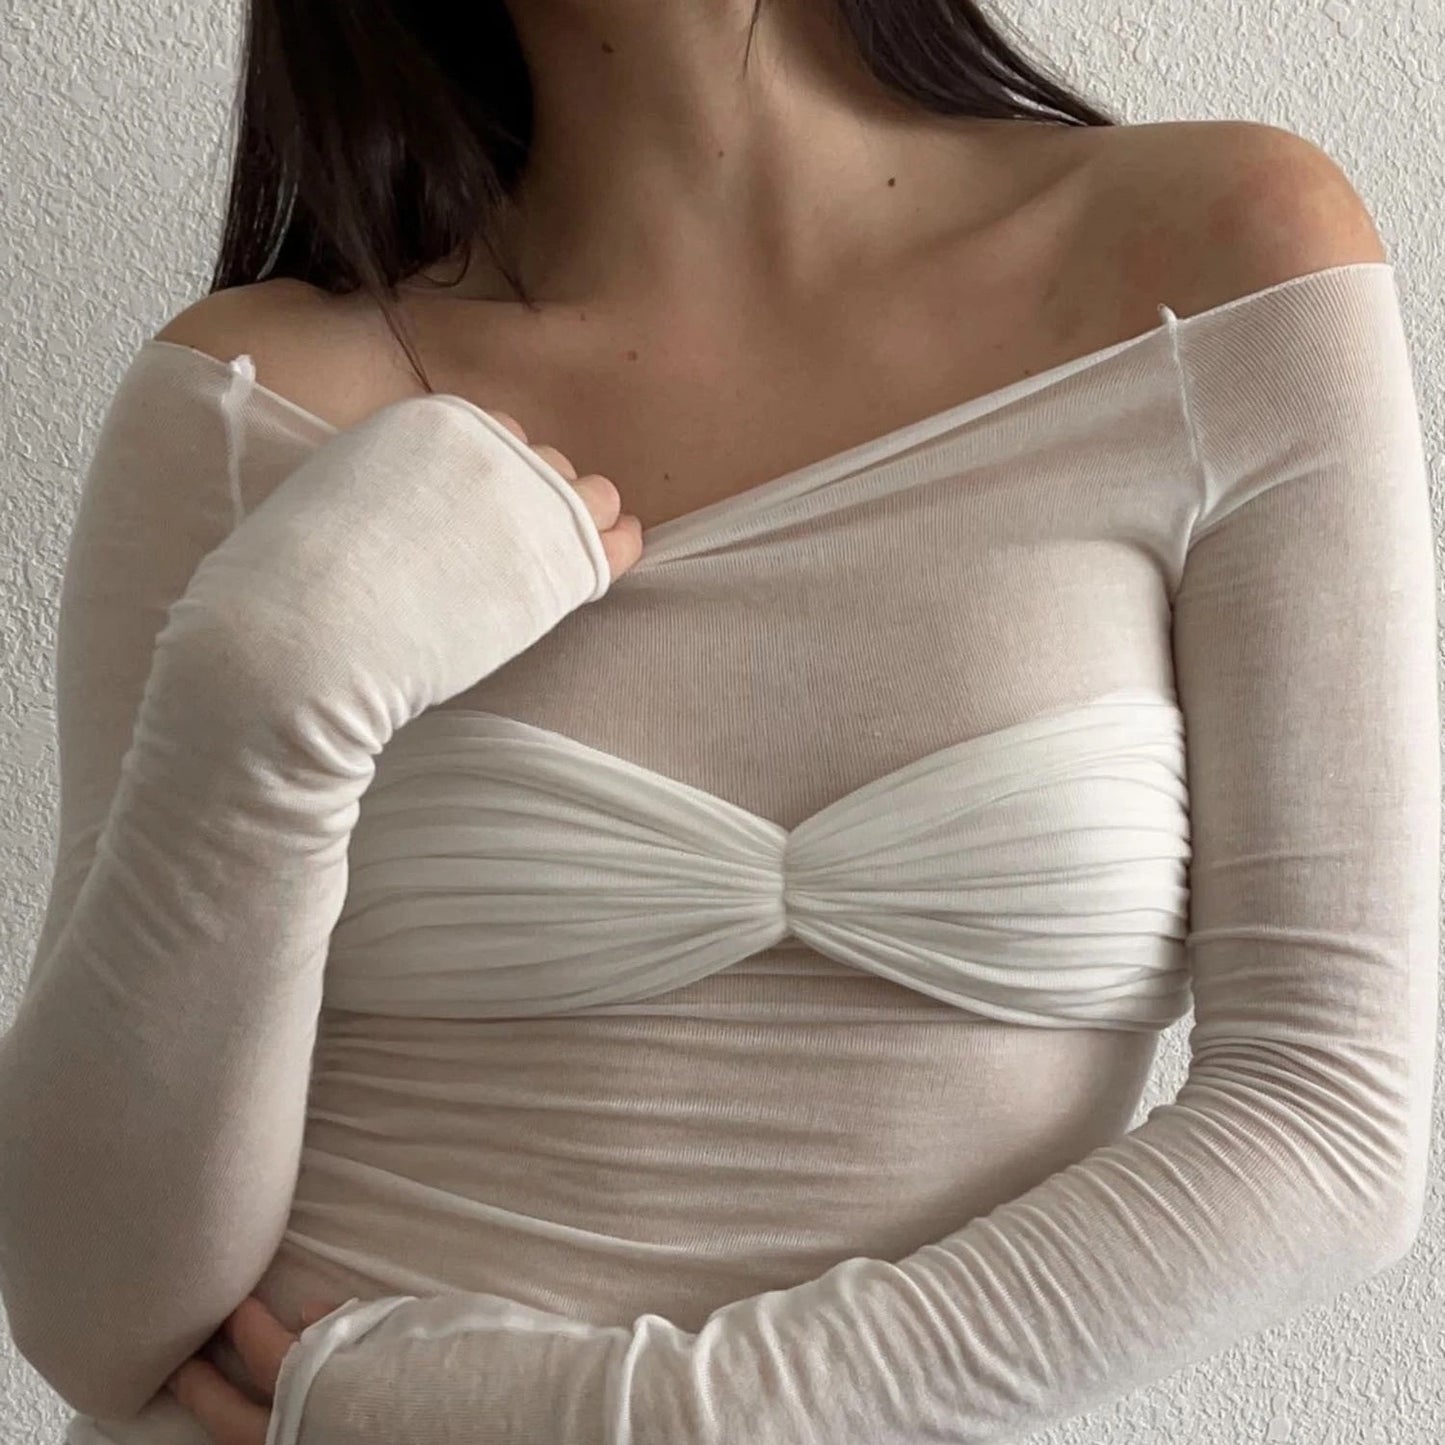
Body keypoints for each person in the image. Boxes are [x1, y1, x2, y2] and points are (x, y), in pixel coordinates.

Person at [0, 1, 1438, 1442]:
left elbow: (1323, 1122)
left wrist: (605, 1422)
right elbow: (91, 1312)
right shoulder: (251, 401)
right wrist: (267, 694)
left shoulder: (1219, 267)